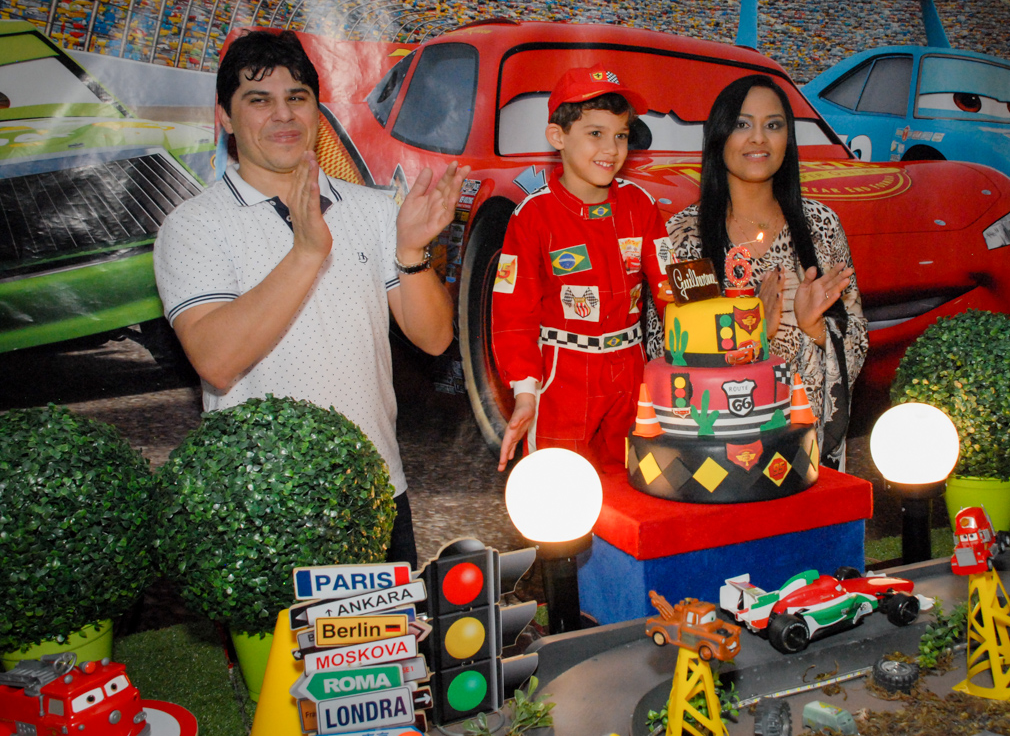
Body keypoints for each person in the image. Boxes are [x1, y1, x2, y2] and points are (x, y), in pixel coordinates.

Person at [153, 30, 469, 567]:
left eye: (297, 98)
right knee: (279, 656)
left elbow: (434, 337)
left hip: (374, 490)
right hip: (261, 504)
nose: (283, 115)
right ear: (226, 117)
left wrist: (411, 250)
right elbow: (217, 361)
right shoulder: (193, 227)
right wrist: (305, 252)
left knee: (388, 651)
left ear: (317, 111)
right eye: (259, 100)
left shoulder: (370, 209)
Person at [665, 75, 868, 468]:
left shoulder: (822, 227)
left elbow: (857, 342)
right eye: (742, 124)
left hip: (808, 452)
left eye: (773, 125)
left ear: (788, 139)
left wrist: (816, 328)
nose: (759, 138)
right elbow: (671, 358)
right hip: (721, 459)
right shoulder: (684, 238)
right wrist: (753, 329)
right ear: (718, 135)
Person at [492, 65, 673, 473]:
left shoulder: (641, 206)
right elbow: (512, 315)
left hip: (631, 373)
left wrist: (704, 346)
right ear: (558, 136)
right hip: (563, 377)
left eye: (621, 136)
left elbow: (671, 288)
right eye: (595, 133)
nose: (611, 149)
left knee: (634, 491)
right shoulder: (531, 216)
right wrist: (525, 391)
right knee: (561, 497)